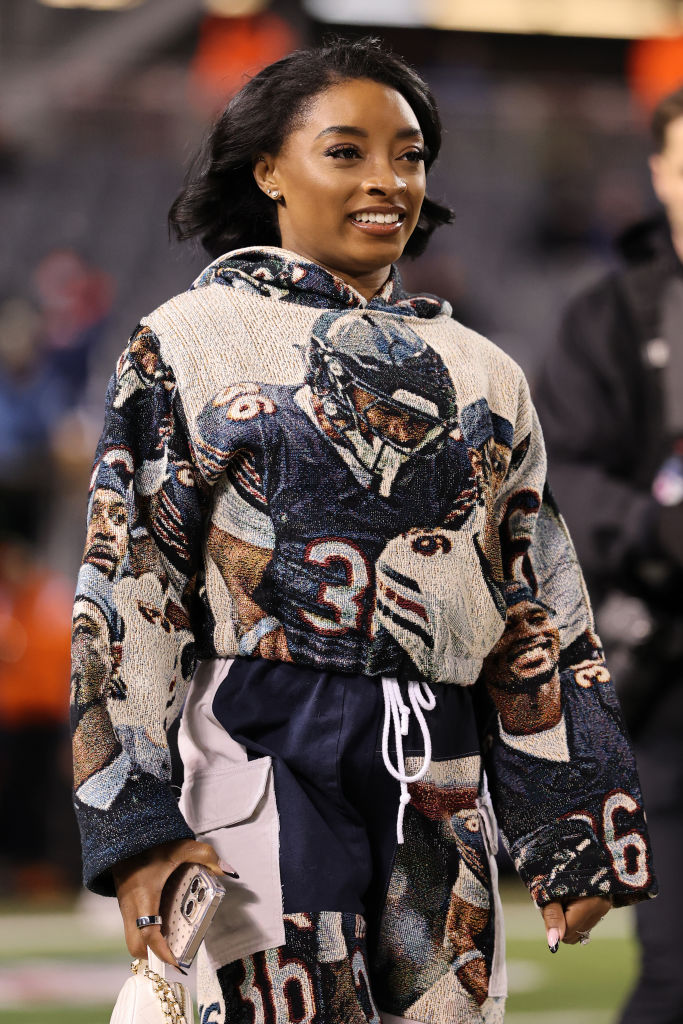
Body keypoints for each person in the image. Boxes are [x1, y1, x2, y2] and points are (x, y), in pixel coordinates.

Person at [70, 38, 656, 1024]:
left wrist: (571, 820)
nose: (388, 179)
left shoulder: (482, 372)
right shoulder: (189, 341)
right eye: (346, 152)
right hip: (260, 753)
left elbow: (538, 605)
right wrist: (132, 819)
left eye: (410, 154)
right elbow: (129, 587)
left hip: (439, 764)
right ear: (268, 172)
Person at [534, 84, 683, 1024]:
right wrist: (660, 531)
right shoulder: (610, 320)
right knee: (677, 973)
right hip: (670, 667)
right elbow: (563, 488)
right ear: (661, 172)